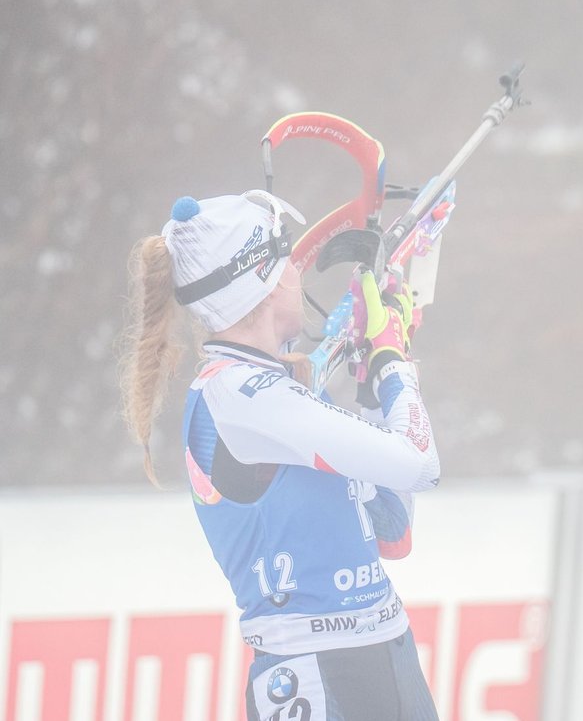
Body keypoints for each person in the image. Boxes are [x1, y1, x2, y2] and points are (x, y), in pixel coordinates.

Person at [119, 190, 440, 720]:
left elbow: (392, 529)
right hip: (313, 668)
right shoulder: (243, 396)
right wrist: (392, 362)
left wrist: (370, 383)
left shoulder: (276, 391)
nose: (298, 270)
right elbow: (421, 463)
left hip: (385, 649)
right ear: (261, 282)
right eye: (287, 259)